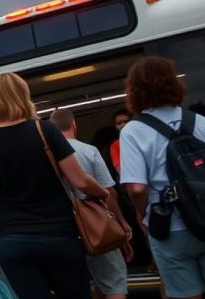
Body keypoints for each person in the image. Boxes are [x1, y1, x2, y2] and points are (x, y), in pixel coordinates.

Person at [119, 56, 205, 299]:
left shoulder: (133, 131)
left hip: (172, 228)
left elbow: (136, 189)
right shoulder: (199, 121)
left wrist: (143, 214)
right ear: (173, 83)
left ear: (133, 90)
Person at [0, 73, 112, 299]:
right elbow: (80, 180)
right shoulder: (45, 130)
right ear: (23, 96)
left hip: (12, 240)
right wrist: (104, 193)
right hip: (58, 235)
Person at [50, 109, 132, 299]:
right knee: (113, 282)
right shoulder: (88, 150)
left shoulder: (46, 156)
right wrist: (120, 223)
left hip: (63, 230)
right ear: (74, 125)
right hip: (96, 226)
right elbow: (109, 191)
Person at [110, 109, 132, 174]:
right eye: (119, 123)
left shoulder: (141, 138)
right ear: (116, 127)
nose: (123, 125)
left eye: (126, 121)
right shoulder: (115, 146)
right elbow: (120, 170)